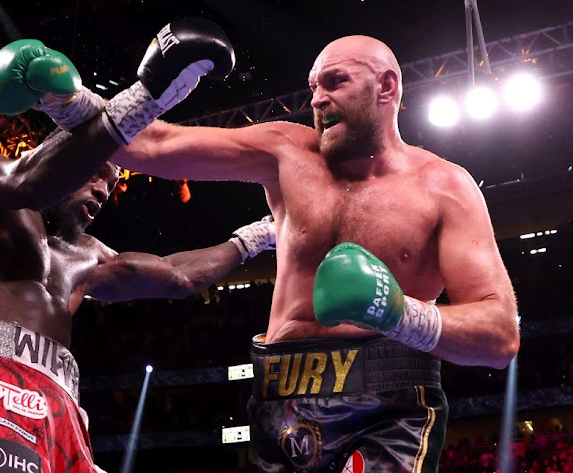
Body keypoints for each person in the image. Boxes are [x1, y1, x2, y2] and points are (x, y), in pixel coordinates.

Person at [106, 34, 521, 472]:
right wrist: (66, 102)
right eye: (313, 88)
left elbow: (500, 336)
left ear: (387, 86)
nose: (317, 100)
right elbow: (151, 146)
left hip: (389, 401)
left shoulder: (446, 187)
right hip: (280, 397)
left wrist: (397, 312)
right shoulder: (287, 150)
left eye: (335, 82)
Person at [0, 18, 277, 473]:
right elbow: (31, 181)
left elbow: (177, 275)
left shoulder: (88, 256)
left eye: (112, 186)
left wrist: (262, 235)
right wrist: (147, 96)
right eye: (96, 174)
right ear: (61, 150)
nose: (102, 191)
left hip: (60, 404)